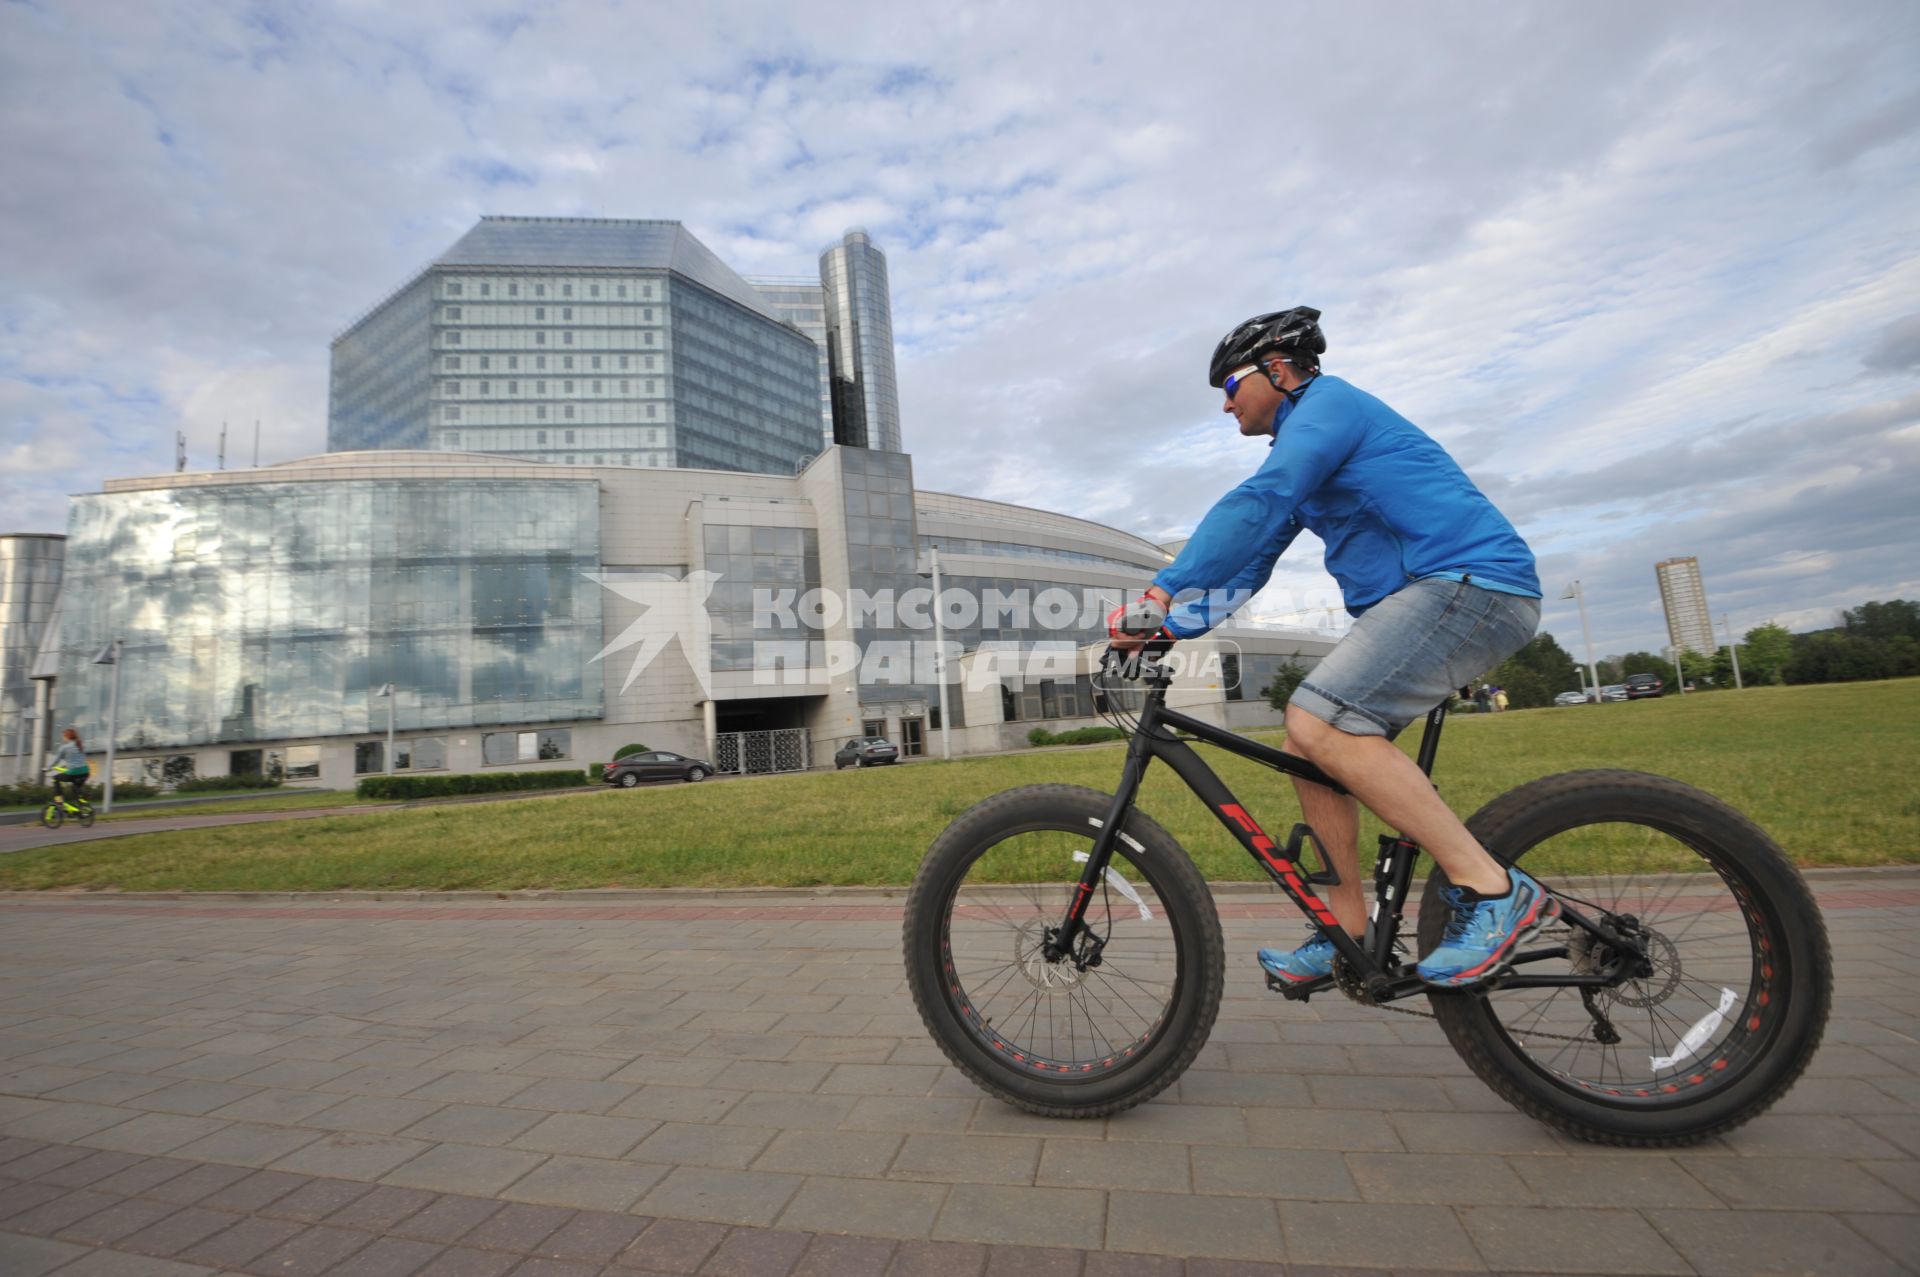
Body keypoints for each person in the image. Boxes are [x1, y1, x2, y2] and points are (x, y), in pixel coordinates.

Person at [1109, 307, 1554, 987]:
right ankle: (1348, 928)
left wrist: (1164, 588)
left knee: (1317, 716)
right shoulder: (1304, 446)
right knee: (1307, 745)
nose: (1225, 405)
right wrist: (1170, 626)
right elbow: (1250, 560)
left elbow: (1262, 497)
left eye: (1230, 386)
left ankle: (1493, 890)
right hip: (1425, 601)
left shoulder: (1329, 407)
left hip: (1470, 584)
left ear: (1279, 371)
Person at [47, 729, 90, 808]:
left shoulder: (64, 747)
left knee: (56, 778)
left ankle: (59, 799)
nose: (63, 739)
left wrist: (47, 768)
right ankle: (81, 807)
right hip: (85, 772)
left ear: (67, 737)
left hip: (74, 772)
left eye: (63, 737)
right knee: (75, 788)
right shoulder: (80, 745)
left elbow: (56, 760)